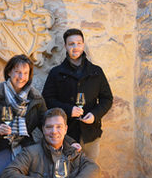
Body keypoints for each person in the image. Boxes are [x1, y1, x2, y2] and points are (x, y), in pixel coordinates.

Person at [0, 55, 79, 178]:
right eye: (18, 72)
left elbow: (49, 124)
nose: (21, 77)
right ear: (9, 72)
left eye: (25, 73)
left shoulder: (36, 98)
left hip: (16, 145)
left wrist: (69, 142)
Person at [42, 28, 113, 162]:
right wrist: (68, 110)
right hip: (65, 135)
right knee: (66, 172)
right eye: (71, 44)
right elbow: (47, 100)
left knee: (89, 171)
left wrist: (94, 115)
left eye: (79, 43)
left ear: (83, 44)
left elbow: (107, 99)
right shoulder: (56, 73)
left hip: (91, 133)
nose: (76, 47)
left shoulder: (96, 71)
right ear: (65, 46)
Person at [0, 108, 100, 178]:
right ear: (43, 129)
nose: (54, 131)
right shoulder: (31, 152)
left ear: (65, 129)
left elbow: (93, 168)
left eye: (58, 127)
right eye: (49, 127)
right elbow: (7, 176)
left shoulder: (73, 151)